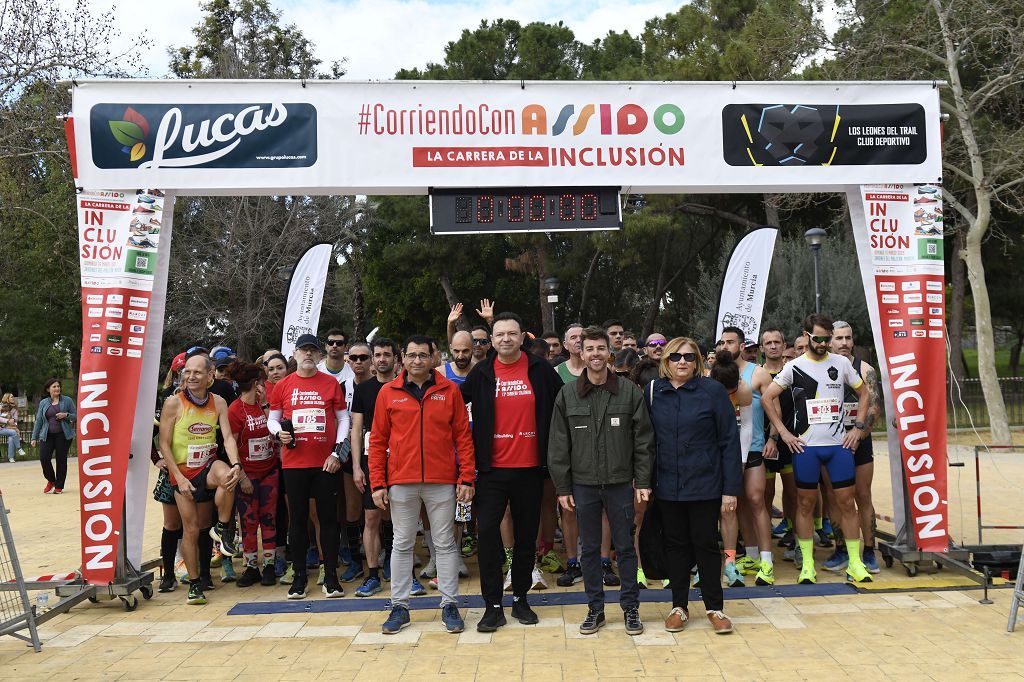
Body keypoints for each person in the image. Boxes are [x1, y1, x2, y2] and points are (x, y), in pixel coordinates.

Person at [460, 312, 562, 632]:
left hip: (531, 468)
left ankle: (520, 598)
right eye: (500, 334)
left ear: (522, 338)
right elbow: (452, 405)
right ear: (491, 340)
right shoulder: (482, 373)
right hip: (491, 470)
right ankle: (492, 605)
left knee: (525, 538)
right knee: (488, 534)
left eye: (512, 334)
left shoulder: (540, 369)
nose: (506, 339)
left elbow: (564, 403)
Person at [549, 326, 654, 636]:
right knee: (590, 549)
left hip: (621, 483)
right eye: (589, 348)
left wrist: (643, 480)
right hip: (583, 485)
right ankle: (595, 609)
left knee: (624, 548)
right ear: (580, 353)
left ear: (610, 352)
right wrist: (563, 487)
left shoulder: (628, 391)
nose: (595, 354)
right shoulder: (567, 394)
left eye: (600, 348)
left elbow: (643, 440)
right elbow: (558, 445)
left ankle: (631, 608)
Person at [369, 335, 475, 635]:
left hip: (442, 481)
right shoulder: (388, 393)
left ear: (434, 357)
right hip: (401, 481)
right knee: (401, 544)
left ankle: (449, 604)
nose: (417, 361)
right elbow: (377, 441)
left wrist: (466, 476)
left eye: (422, 355)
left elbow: (463, 438)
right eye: (412, 355)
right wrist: (378, 483)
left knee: (444, 543)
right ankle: (399, 607)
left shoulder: (450, 390)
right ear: (403, 357)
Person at [761, 314, 873, 585]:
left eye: (826, 338)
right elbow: (767, 397)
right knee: (804, 504)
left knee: (847, 502)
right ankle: (808, 565)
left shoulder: (842, 363)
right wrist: (785, 433)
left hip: (838, 446)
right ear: (807, 335)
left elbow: (865, 392)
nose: (823, 343)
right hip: (806, 448)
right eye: (818, 338)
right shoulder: (795, 366)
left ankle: (856, 563)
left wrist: (858, 427)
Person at [647, 337, 741, 635]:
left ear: (698, 360)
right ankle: (679, 606)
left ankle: (715, 608)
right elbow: (645, 442)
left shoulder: (712, 391)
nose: (682, 362)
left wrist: (730, 490)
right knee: (675, 546)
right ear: (666, 361)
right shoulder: (654, 391)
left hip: (705, 483)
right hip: (667, 485)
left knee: (705, 544)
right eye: (675, 357)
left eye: (689, 356)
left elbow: (729, 442)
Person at [268, 333, 350, 600]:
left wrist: (337, 452)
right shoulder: (283, 385)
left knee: (328, 520)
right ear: (294, 354)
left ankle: (330, 577)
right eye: (302, 350)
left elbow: (343, 419)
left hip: (325, 463)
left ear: (318, 355)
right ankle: (300, 577)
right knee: (298, 522)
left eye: (312, 351)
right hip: (294, 464)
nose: (307, 355)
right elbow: (273, 419)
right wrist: (278, 432)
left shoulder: (331, 384)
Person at [158, 354, 242, 605]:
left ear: (210, 375)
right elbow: (164, 444)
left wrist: (236, 462)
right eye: (187, 372)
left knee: (228, 475)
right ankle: (195, 583)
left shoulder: (219, 402)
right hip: (182, 472)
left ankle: (223, 527)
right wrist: (179, 479)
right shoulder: (174, 403)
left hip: (207, 464)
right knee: (192, 529)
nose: (191, 376)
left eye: (196, 372)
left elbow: (227, 437)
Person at [719, 327, 776, 587]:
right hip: (723, 452)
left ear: (742, 345)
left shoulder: (758, 373)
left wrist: (774, 438)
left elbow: (773, 408)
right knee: (736, 505)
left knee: (756, 501)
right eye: (722, 342)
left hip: (752, 449)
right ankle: (750, 556)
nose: (725, 346)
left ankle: (767, 562)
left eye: (730, 342)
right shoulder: (715, 375)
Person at [826, 320, 883, 574]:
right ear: (830, 341)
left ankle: (869, 551)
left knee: (862, 495)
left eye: (848, 338)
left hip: (859, 440)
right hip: (831, 442)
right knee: (835, 498)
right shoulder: (822, 368)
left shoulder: (866, 369)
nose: (845, 343)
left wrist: (858, 433)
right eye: (839, 338)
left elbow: (875, 406)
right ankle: (841, 549)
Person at [350, 337, 399, 597]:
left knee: (399, 517)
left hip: (402, 461)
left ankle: (402, 570)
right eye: (377, 354)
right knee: (371, 517)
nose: (382, 359)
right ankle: (372, 575)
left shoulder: (404, 386)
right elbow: (356, 430)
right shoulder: (364, 389)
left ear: (395, 359)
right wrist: (357, 466)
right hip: (372, 459)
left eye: (386, 354)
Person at [227, 360, 280, 588]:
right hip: (248, 474)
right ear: (256, 383)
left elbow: (274, 426)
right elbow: (232, 446)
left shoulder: (264, 405)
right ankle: (251, 566)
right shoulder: (235, 410)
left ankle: (269, 565)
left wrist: (266, 402)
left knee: (269, 518)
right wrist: (243, 477)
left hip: (269, 471)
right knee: (249, 522)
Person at [760, 329, 798, 556]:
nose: (773, 346)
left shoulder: (795, 373)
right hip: (765, 442)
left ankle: (794, 534)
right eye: (768, 343)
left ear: (784, 345)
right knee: (765, 494)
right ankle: (764, 539)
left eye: (777, 342)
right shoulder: (756, 374)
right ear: (762, 348)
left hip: (793, 441)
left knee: (794, 492)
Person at [31, 378, 76, 493]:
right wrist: (34, 437)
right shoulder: (43, 403)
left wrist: (66, 415)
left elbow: (77, 416)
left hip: (63, 435)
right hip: (47, 435)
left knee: (61, 460)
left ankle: (59, 486)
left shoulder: (67, 400)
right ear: (48, 389)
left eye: (58, 386)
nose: (57, 388)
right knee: (44, 458)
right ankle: (51, 480)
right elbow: (39, 421)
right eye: (54, 387)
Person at [0, 393, 25, 462]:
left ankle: (11, 457)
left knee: (12, 438)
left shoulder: (14, 408)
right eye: (11, 397)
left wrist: (13, 421)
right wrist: (7, 421)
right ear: (7, 399)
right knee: (14, 433)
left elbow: (16, 419)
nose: (13, 398)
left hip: (10, 427)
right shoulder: (1, 407)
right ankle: (19, 448)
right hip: (1, 427)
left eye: (13, 397)